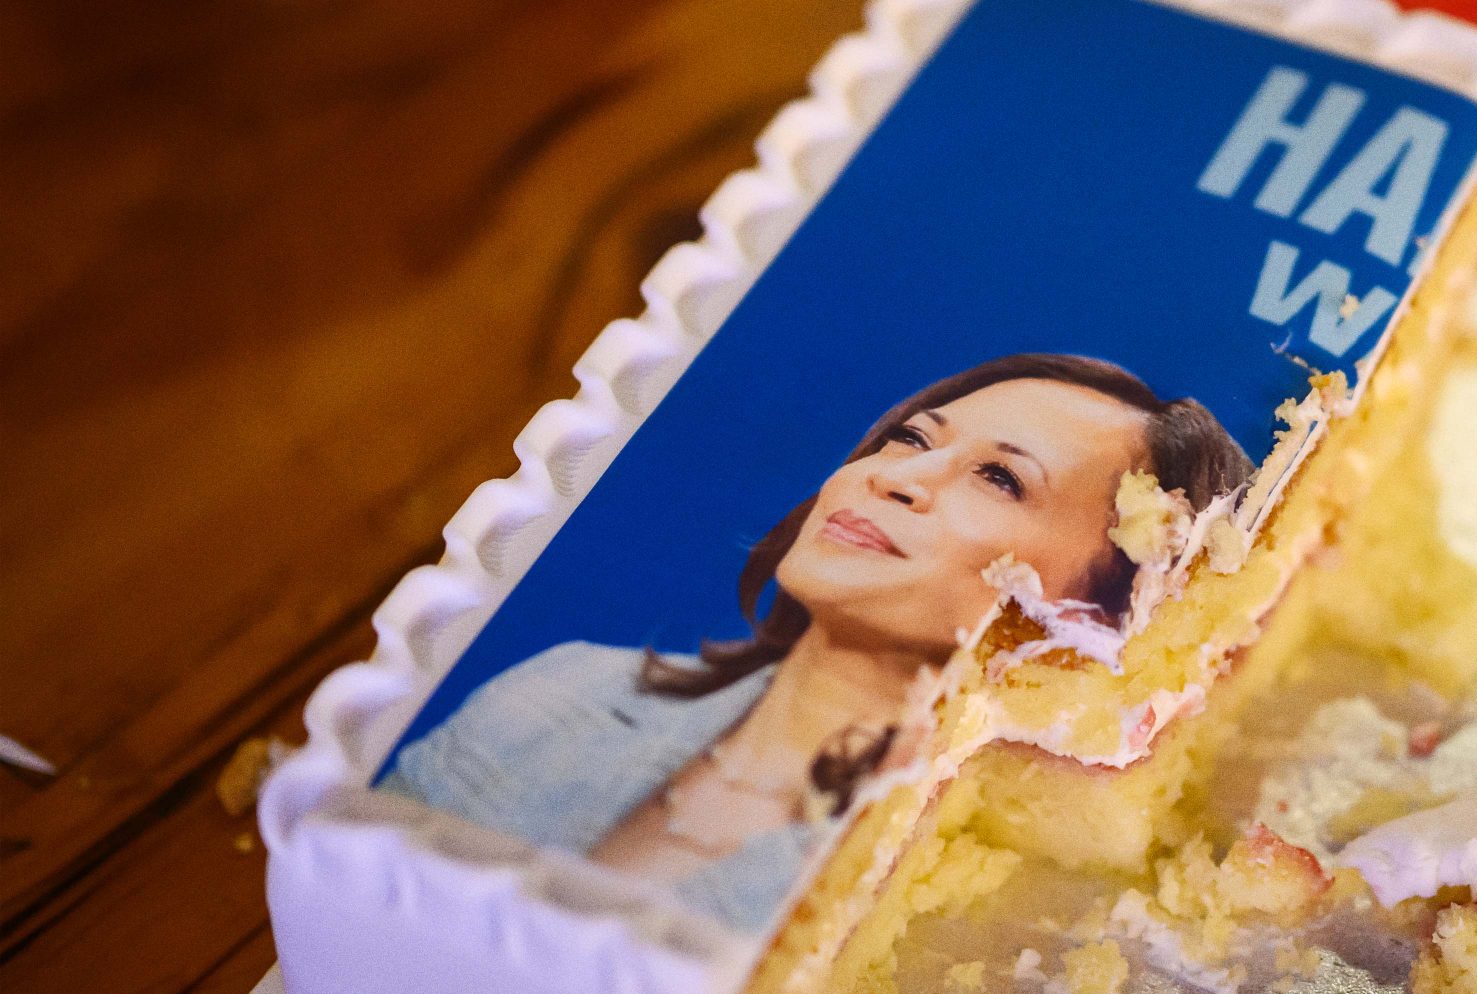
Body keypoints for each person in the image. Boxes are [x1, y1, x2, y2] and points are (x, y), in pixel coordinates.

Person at [381, 353, 1252, 930]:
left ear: (1104, 616)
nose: (896, 478)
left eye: (998, 477)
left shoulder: (974, 913)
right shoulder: (562, 693)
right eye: (913, 437)